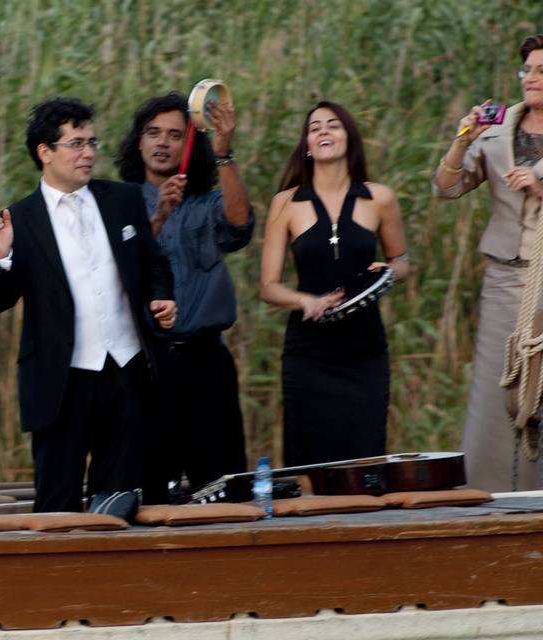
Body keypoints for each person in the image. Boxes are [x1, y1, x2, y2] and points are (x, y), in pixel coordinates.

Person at [0, 97, 176, 513]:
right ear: (45, 153)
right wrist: (2, 256)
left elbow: (154, 262)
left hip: (127, 370)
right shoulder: (20, 218)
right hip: (60, 382)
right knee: (56, 507)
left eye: (92, 142)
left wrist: (161, 296)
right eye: (76, 143)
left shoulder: (121, 200)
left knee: (121, 503)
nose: (88, 153)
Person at [114, 92, 253, 503]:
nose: (162, 143)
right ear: (138, 142)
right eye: (152, 133)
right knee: (151, 491)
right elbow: (119, 272)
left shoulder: (208, 202)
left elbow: (239, 228)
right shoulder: (117, 205)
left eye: (175, 135)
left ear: (189, 145)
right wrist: (155, 220)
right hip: (146, 364)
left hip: (206, 360)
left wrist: (224, 154)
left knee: (224, 486)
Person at [261, 101, 409, 467]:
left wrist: (389, 273)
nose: (324, 131)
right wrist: (305, 301)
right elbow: (269, 287)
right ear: (307, 146)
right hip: (308, 352)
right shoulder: (285, 203)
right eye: (315, 128)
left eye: (334, 125)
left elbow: (401, 261)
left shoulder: (380, 198)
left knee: (365, 462)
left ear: (349, 139)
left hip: (365, 351)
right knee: (309, 464)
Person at [432, 35, 543, 491]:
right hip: (503, 278)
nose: (531, 78)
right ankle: (492, 497)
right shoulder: (497, 133)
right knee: (497, 391)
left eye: (541, 71)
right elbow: (446, 188)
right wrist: (463, 139)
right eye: (527, 70)